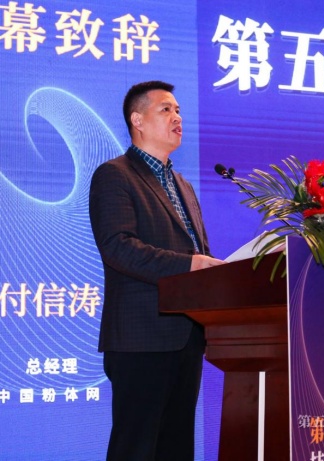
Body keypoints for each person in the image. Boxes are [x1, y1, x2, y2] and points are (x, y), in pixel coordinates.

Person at [89, 81, 225, 461]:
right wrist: (190, 264)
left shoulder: (183, 186)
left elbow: (200, 251)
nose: (177, 117)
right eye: (166, 109)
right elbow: (118, 247)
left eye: (178, 110)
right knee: (136, 448)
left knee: (176, 448)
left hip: (187, 336)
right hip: (141, 338)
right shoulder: (115, 175)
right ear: (137, 120)